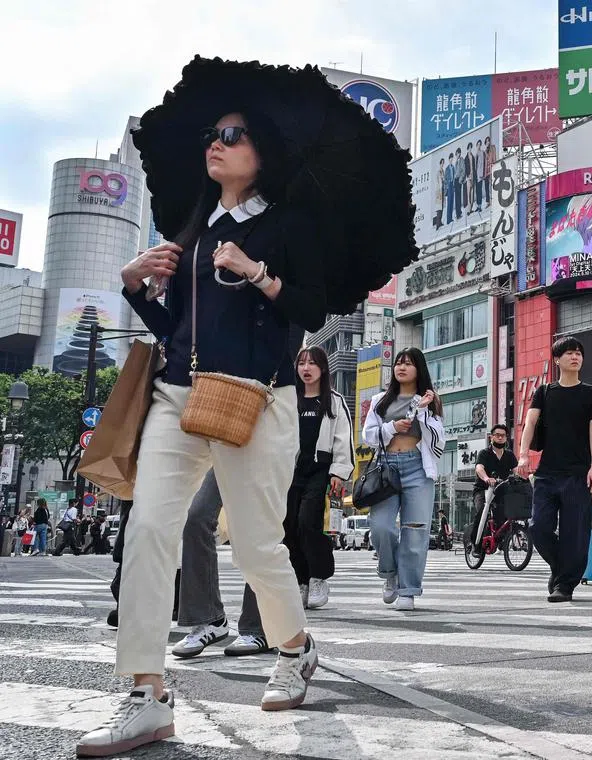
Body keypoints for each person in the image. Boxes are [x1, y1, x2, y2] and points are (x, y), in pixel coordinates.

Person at [77, 110, 326, 757]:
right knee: (150, 528)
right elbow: (177, 335)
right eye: (211, 134)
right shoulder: (194, 226)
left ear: (262, 151)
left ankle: (296, 649)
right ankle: (146, 695)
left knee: (254, 546)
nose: (216, 143)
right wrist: (135, 290)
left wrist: (256, 271)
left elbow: (310, 309)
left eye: (232, 135)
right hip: (178, 394)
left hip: (255, 398)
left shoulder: (289, 225)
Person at [517, 336, 592, 603]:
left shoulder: (591, 394)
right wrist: (523, 457)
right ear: (557, 360)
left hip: (578, 474)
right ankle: (560, 568)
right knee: (538, 527)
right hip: (547, 473)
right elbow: (529, 424)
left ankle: (565, 584)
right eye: (568, 353)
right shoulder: (544, 392)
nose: (575, 357)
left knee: (575, 534)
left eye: (578, 353)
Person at [362, 348, 444, 611]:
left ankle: (408, 589)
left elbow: (438, 438)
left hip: (417, 468)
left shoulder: (430, 401)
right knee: (381, 528)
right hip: (387, 469)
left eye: (408, 363)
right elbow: (369, 436)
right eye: (399, 363)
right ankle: (389, 574)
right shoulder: (379, 401)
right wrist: (391, 428)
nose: (402, 367)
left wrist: (421, 410)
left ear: (419, 369)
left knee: (415, 530)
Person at [172, 470, 273, 659]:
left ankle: (258, 628)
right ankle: (210, 619)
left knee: (259, 527)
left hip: (267, 447)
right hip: (221, 446)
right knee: (196, 517)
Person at [289, 346, 354, 609]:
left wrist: (339, 472)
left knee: (309, 522)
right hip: (290, 469)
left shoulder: (334, 400)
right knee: (289, 525)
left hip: (321, 471)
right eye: (302, 363)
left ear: (323, 368)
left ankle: (319, 577)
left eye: (312, 363)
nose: (306, 368)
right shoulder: (288, 398)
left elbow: (343, 438)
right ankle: (301, 579)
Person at [471, 424, 518, 554]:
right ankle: (475, 544)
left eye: (503, 435)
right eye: (497, 435)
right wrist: (486, 478)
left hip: (500, 491)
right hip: (483, 490)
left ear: (506, 438)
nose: (500, 438)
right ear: (491, 437)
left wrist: (523, 478)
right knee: (482, 513)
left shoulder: (509, 455)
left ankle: (501, 540)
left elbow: (516, 471)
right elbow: (479, 468)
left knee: (506, 513)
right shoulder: (484, 453)